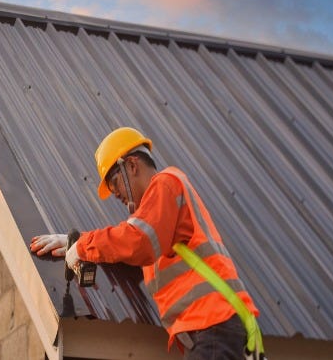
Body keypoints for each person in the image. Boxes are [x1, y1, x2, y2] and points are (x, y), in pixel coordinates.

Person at [30, 127, 259, 359]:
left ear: (131, 165)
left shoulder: (166, 183)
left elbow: (136, 240)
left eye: (114, 183)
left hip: (212, 323)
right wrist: (78, 243)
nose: (115, 194)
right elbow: (128, 245)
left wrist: (83, 245)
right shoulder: (160, 220)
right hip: (212, 327)